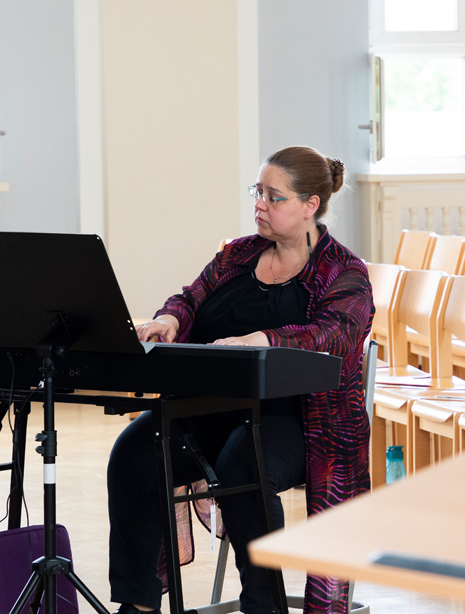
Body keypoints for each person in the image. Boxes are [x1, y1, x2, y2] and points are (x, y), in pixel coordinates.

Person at [107, 146, 374, 614]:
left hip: (302, 422)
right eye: (258, 192)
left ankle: (262, 604)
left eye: (274, 196)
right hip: (212, 407)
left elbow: (334, 335)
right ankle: (139, 605)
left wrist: (264, 338)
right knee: (135, 452)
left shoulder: (344, 272)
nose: (259, 205)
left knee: (243, 462)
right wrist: (169, 318)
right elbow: (190, 297)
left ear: (310, 205)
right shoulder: (238, 254)